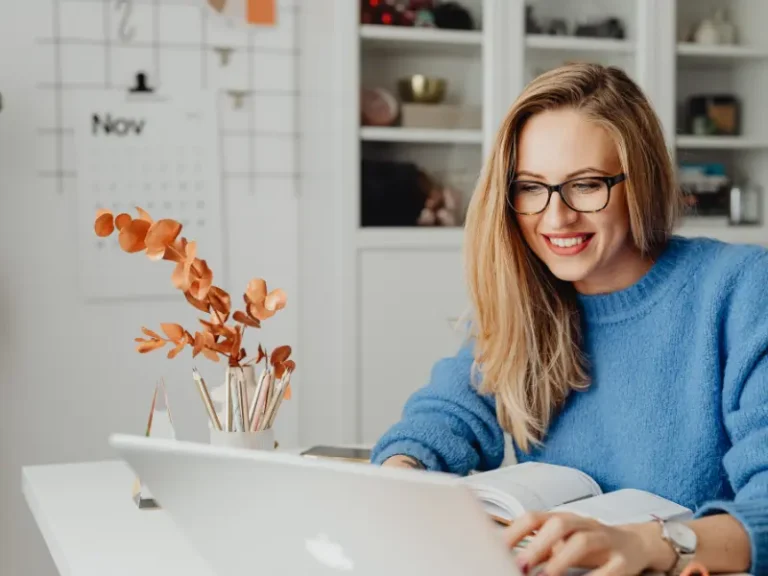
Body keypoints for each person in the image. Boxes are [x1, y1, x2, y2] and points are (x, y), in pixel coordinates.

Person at [370, 62, 768, 576]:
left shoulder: (741, 288)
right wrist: (400, 476)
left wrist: (649, 544)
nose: (555, 218)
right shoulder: (529, 298)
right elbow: (445, 416)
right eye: (532, 187)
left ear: (640, 181)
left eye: (585, 185)